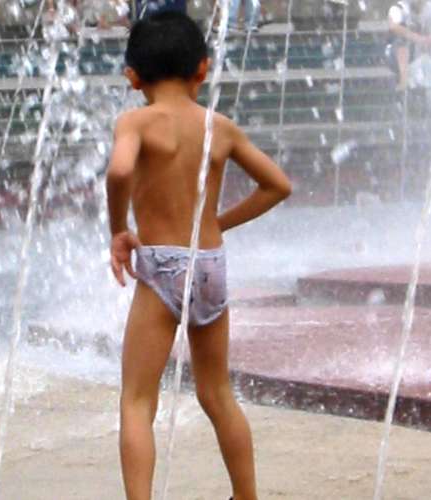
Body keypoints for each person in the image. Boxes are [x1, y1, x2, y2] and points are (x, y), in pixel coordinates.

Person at [106, 11, 291, 500]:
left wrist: (119, 229)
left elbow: (119, 170)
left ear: (132, 77)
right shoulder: (219, 127)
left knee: (137, 399)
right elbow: (278, 186)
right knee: (217, 393)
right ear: (203, 70)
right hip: (210, 263)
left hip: (162, 266)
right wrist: (217, 223)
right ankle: (246, 495)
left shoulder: (135, 121)